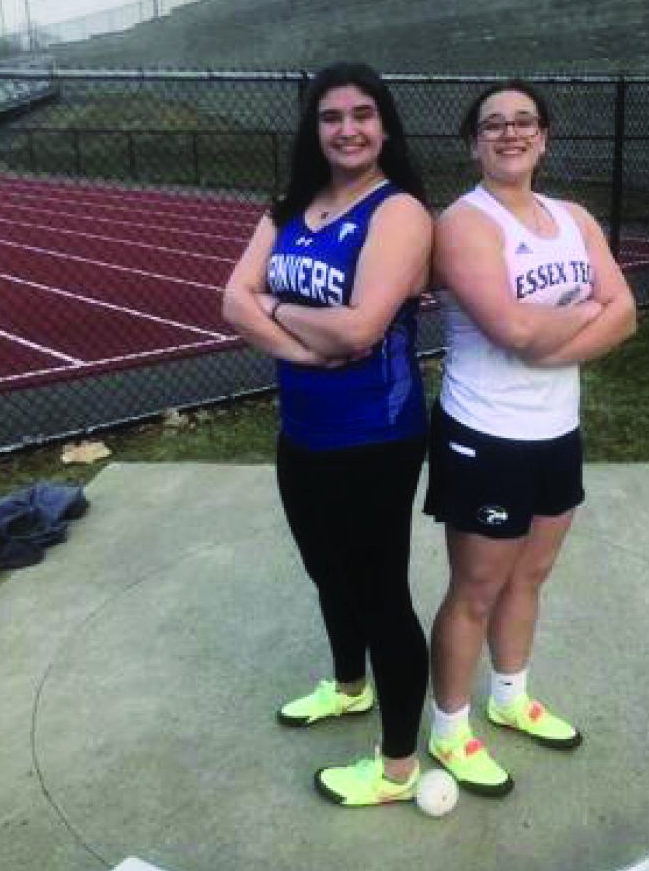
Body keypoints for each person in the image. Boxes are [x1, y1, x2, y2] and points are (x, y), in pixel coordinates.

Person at [222, 61, 432, 807]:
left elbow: (363, 326)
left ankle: (399, 769)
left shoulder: (398, 211)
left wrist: (274, 305)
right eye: (331, 116)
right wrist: (307, 341)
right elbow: (232, 299)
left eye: (362, 114)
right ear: (313, 129)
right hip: (302, 428)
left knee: (380, 595)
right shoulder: (287, 207)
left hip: (374, 436)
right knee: (325, 572)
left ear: (384, 125)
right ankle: (349, 688)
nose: (347, 128)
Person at [424, 79, 637, 796]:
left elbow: (626, 312)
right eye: (493, 124)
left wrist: (549, 336)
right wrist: (582, 316)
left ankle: (509, 696)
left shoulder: (573, 216)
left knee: (531, 576)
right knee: (475, 588)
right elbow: (511, 331)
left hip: (556, 430)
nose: (509, 133)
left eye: (523, 121)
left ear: (543, 137)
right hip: (485, 434)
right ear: (473, 142)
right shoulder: (463, 222)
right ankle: (449, 729)